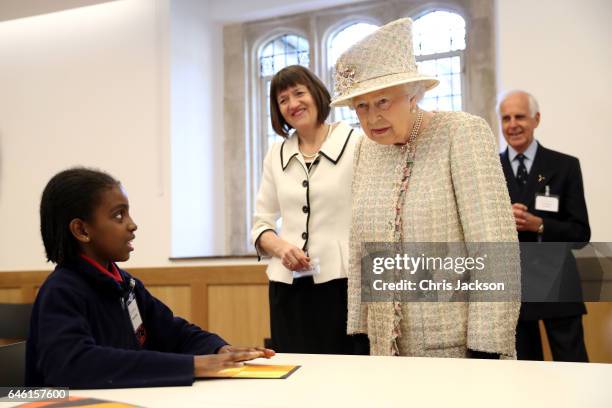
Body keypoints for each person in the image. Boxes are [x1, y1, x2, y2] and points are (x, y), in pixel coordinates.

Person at [331, 18, 520, 358]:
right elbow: (361, 248)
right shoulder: (364, 148)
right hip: (384, 354)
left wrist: (487, 349)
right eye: (362, 106)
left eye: (383, 102)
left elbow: (494, 249)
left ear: (412, 95)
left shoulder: (461, 134)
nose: (373, 118)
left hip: (454, 350)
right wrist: (359, 329)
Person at [27, 168, 274, 388]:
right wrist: (193, 365)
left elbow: (173, 331)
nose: (132, 225)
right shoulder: (61, 291)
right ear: (82, 230)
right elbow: (75, 365)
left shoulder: (126, 285)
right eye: (118, 215)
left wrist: (218, 348)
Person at [251, 65, 367, 354]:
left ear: (316, 94)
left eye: (299, 93)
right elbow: (261, 223)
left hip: (345, 282)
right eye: (283, 100)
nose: (293, 104)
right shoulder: (275, 154)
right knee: (295, 373)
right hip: (288, 287)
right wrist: (280, 247)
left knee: (348, 375)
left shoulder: (356, 142)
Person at [498, 90, 590, 362]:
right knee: (524, 373)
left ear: (536, 119)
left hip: (558, 285)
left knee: (573, 367)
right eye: (506, 118)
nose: (512, 124)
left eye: (520, 116)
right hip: (513, 289)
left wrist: (540, 225)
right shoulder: (489, 169)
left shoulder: (565, 166)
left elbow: (581, 234)